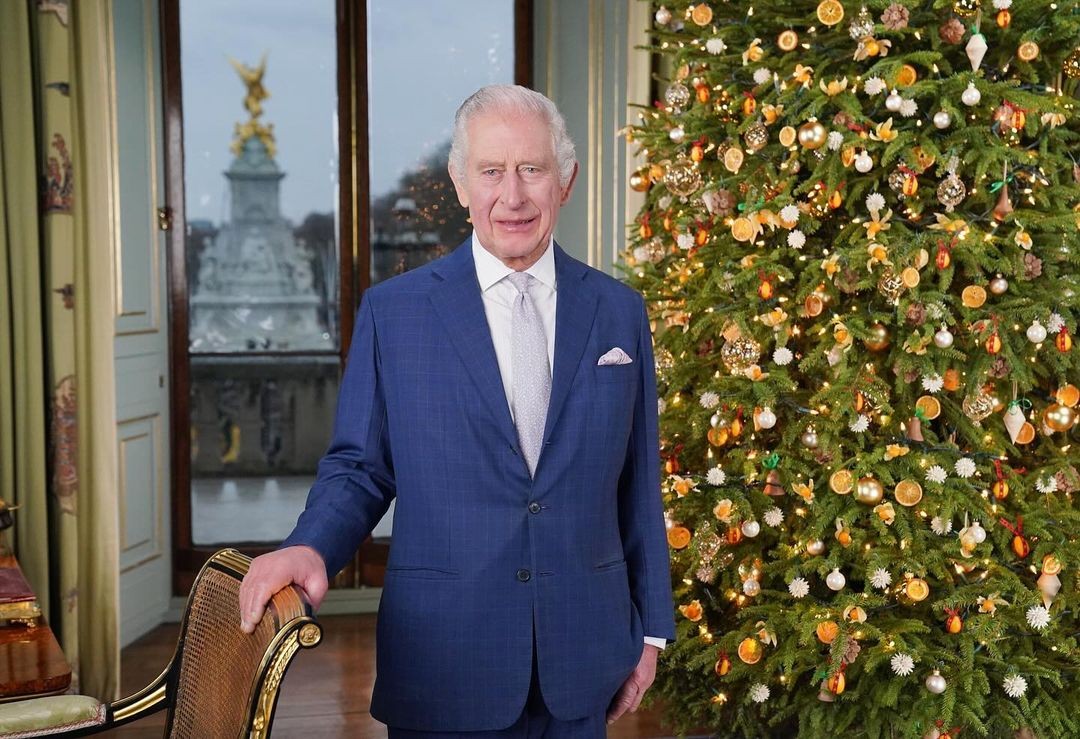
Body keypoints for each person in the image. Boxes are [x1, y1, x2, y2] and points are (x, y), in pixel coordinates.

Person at [238, 85, 674, 737]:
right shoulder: (395, 313)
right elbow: (360, 468)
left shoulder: (619, 311)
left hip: (584, 655)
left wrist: (652, 629)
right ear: (461, 184)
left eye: (532, 168)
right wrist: (310, 545)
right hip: (443, 658)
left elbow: (638, 483)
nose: (513, 195)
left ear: (566, 180)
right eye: (491, 171)